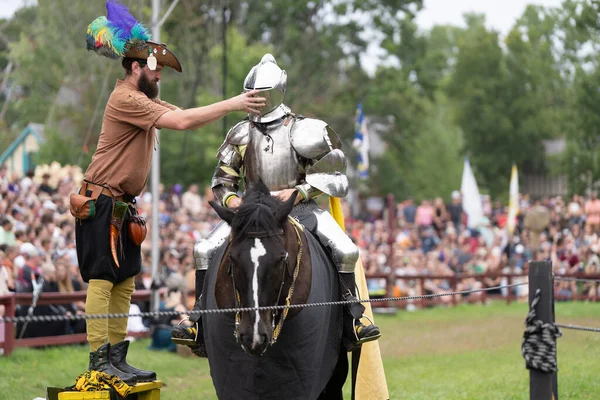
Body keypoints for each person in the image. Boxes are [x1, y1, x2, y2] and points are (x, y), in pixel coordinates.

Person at [76, 1, 265, 385]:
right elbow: (180, 121)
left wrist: (231, 111)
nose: (159, 74)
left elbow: (187, 116)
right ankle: (99, 364)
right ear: (135, 68)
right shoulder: (126, 98)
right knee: (102, 281)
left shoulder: (143, 99)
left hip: (121, 207)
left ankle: (116, 358)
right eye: (155, 68)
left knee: (125, 280)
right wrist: (236, 103)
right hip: (101, 202)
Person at [171, 53, 380, 354]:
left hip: (300, 209)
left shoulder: (303, 129)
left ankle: (352, 319)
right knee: (203, 249)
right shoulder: (241, 132)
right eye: (252, 94)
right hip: (251, 214)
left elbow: (334, 176)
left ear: (276, 92)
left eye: (262, 94)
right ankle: (198, 320)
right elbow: (222, 179)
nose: (257, 100)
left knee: (346, 250)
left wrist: (299, 193)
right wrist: (235, 201)